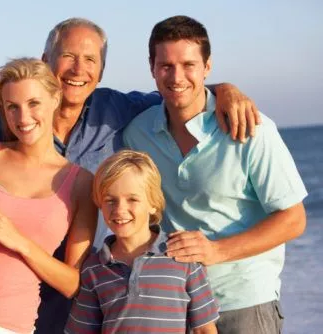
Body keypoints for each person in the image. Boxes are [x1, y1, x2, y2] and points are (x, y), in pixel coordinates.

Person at [0, 17, 261, 333]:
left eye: (90, 60)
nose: (79, 69)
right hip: (25, 301)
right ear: (45, 60)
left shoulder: (118, 109)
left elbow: (178, 90)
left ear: (101, 71)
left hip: (107, 295)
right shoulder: (7, 123)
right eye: (68, 56)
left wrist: (224, 90)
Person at [124, 15, 307, 333]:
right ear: (152, 68)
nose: (176, 76)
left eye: (188, 65)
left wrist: (216, 251)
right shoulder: (137, 134)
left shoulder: (252, 129)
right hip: (176, 301)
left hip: (245, 303)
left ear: (207, 67)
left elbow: (293, 219)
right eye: (166, 65)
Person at [0, 57, 97, 333]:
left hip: (13, 324)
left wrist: (18, 241)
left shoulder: (80, 183)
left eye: (33, 104)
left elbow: (73, 284)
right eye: (12, 107)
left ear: (55, 98)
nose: (23, 118)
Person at [65, 150, 219, 333]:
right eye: (110, 200)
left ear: (153, 203)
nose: (120, 209)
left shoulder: (184, 256)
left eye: (133, 199)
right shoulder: (94, 268)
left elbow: (205, 330)